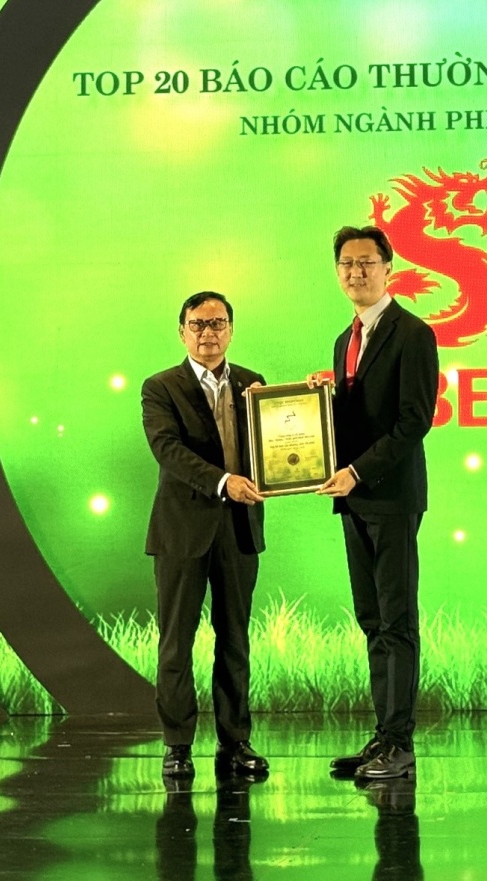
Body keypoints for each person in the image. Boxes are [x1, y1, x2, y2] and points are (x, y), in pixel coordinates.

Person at [315, 226, 439, 782]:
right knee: (372, 620)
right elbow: (355, 418)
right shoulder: (345, 340)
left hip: (390, 496)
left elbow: (414, 421)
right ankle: (382, 736)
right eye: (347, 263)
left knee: (397, 621)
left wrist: (357, 472)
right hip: (353, 499)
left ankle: (400, 745)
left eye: (366, 262)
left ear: (388, 267)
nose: (356, 272)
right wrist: (318, 403)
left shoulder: (413, 334)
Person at [141, 290, 270, 783]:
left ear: (231, 331)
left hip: (239, 530)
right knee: (176, 643)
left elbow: (278, 442)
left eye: (217, 323)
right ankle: (177, 746)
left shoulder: (253, 384)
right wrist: (223, 482)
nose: (208, 333)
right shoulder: (160, 387)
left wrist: (308, 404)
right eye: (198, 324)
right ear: (182, 333)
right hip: (181, 533)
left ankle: (235, 743)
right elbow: (167, 450)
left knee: (235, 640)